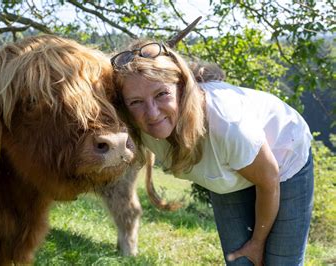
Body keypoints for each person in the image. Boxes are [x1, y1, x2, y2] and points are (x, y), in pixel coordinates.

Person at [110, 40, 314, 265]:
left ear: (181, 88)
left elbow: (269, 181)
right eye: (136, 102)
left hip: (283, 158)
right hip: (231, 171)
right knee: (240, 262)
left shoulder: (227, 125)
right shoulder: (138, 127)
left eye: (161, 94)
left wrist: (257, 242)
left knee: (280, 262)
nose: (152, 113)